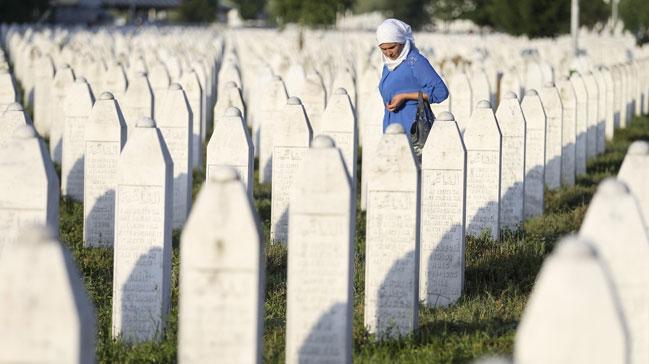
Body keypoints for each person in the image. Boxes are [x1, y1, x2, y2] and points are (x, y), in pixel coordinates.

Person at [376, 19, 449, 135]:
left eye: (392, 47)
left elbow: (441, 92)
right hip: (392, 126)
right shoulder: (388, 65)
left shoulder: (414, 61)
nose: (388, 53)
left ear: (402, 42)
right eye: (383, 49)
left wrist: (405, 96)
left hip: (413, 128)